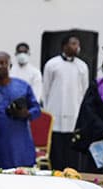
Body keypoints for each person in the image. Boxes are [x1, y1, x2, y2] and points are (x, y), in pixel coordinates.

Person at [0, 52, 41, 169]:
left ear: (10, 66)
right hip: (0, 146)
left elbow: (37, 109)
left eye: (3, 63)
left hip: (22, 144)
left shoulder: (23, 86)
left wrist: (26, 113)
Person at [42, 34, 88, 170]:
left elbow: (84, 91)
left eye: (77, 44)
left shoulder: (82, 67)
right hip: (55, 113)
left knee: (71, 153)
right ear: (64, 46)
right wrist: (47, 111)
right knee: (56, 151)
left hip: (74, 114)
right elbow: (46, 90)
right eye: (73, 43)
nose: (76, 47)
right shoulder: (52, 64)